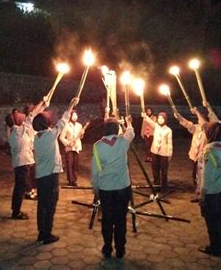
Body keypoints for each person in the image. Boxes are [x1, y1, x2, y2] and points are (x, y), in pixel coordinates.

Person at [33, 97, 78, 244]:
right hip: (50, 177)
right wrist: (71, 105)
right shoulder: (50, 136)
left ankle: (42, 232)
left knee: (42, 205)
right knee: (50, 204)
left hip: (40, 177)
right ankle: (47, 234)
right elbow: (63, 120)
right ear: (45, 124)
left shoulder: (37, 137)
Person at [91, 115, 135, 259]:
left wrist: (96, 188)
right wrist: (128, 123)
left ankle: (107, 247)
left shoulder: (97, 146)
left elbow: (95, 170)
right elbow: (131, 133)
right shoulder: (123, 142)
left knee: (107, 219)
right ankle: (120, 248)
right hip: (123, 187)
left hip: (106, 188)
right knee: (121, 219)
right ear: (117, 130)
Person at [8, 98, 47, 220]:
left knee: (20, 186)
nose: (21, 114)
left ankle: (16, 210)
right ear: (16, 120)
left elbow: (32, 117)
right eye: (18, 114)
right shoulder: (18, 131)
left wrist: (43, 105)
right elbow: (31, 116)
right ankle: (16, 212)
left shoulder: (19, 131)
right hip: (22, 163)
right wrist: (42, 102)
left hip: (24, 162)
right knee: (20, 187)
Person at [198, 122, 221, 257]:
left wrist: (202, 193)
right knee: (219, 218)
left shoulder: (209, 150)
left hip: (211, 191)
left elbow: (206, 174)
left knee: (211, 220)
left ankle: (215, 247)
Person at [142, 111, 173, 193]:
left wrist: (169, 154)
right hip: (154, 152)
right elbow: (149, 121)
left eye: (162, 118)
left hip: (164, 153)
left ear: (165, 119)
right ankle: (156, 186)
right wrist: (145, 116)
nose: (160, 120)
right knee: (155, 170)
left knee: (164, 171)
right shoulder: (156, 126)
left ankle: (164, 187)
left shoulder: (168, 130)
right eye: (159, 118)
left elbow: (169, 144)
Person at [59, 110, 85, 186]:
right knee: (69, 164)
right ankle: (70, 180)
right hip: (69, 148)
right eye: (73, 115)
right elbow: (61, 137)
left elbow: (80, 137)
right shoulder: (67, 125)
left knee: (75, 164)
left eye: (76, 115)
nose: (75, 116)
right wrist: (67, 143)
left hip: (76, 147)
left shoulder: (79, 125)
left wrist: (82, 134)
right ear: (70, 116)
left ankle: (75, 180)